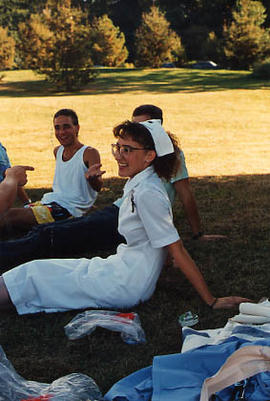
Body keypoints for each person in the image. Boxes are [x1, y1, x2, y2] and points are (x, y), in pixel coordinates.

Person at [0, 119, 249, 313]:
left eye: (127, 149)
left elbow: (176, 249)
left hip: (124, 283)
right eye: (117, 147)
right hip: (119, 269)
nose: (118, 154)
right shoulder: (139, 182)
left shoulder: (148, 192)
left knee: (35, 276)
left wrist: (212, 300)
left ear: (150, 156)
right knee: (35, 272)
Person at [0, 104, 223, 269]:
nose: (135, 132)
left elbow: (185, 194)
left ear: (158, 128)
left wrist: (198, 235)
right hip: (118, 210)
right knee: (49, 231)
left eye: (142, 126)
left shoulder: (170, 156)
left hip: (125, 219)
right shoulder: (134, 152)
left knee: (50, 236)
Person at [0, 109, 104, 233]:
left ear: (77, 128)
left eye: (66, 127)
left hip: (66, 209)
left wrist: (93, 179)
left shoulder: (89, 153)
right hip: (50, 202)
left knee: (8, 217)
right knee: (6, 213)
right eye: (57, 128)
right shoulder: (58, 151)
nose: (61, 132)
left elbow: (97, 187)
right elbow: (69, 185)